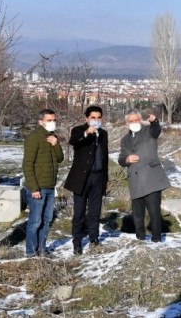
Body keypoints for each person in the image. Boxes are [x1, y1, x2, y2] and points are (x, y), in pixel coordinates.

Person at [118, 110, 170, 242]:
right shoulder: (125, 140)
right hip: (135, 181)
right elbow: (121, 158)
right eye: (131, 121)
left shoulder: (149, 131)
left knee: (154, 212)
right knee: (137, 214)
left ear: (140, 120)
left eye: (136, 120)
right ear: (127, 123)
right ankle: (140, 238)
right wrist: (127, 159)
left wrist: (155, 120)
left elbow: (156, 129)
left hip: (151, 178)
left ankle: (157, 239)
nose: (134, 122)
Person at [63, 106, 108, 255]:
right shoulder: (78, 130)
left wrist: (105, 179)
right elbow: (73, 141)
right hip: (82, 178)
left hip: (98, 177)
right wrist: (86, 133)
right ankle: (77, 242)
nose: (96, 120)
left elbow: (105, 156)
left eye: (98, 117)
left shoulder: (103, 134)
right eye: (93, 117)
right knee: (80, 212)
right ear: (87, 118)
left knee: (95, 212)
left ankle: (94, 240)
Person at [23, 108, 63, 257]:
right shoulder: (34, 138)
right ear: (41, 122)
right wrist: (34, 187)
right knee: (35, 222)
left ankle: (42, 249)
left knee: (46, 220)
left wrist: (56, 144)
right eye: (49, 120)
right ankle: (31, 253)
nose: (53, 123)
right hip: (37, 187)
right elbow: (27, 164)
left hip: (50, 186)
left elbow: (60, 158)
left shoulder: (52, 137)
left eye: (54, 120)